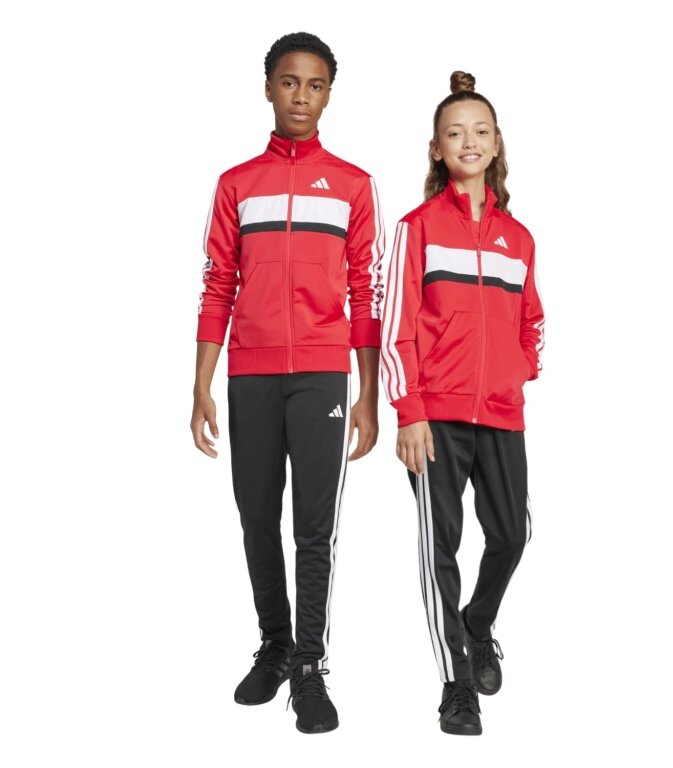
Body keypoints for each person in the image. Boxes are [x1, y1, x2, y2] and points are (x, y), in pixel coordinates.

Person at [190, 32, 384, 735]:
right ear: (269, 86)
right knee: (255, 516)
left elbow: (366, 289)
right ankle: (274, 645)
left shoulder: (353, 185)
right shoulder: (236, 185)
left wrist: (367, 393)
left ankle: (308, 664)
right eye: (290, 82)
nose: (302, 96)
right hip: (251, 371)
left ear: (329, 94)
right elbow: (218, 283)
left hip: (324, 374)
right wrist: (201, 383)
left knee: (313, 526)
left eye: (316, 84)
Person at [380, 71, 544, 735]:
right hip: (435, 419)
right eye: (455, 133)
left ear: (497, 143)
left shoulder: (518, 238)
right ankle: (456, 684)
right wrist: (410, 410)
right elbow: (396, 327)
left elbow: (533, 321)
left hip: (501, 412)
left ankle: (478, 624)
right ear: (437, 149)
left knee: (512, 534)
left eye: (480, 131)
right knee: (439, 548)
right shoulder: (416, 229)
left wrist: (517, 370)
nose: (468, 142)